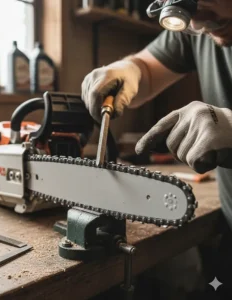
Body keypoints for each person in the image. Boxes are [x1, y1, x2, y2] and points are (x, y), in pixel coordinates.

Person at [81, 0, 232, 299]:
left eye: (207, 5)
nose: (198, 25)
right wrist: (128, 70)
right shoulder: (194, 17)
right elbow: (147, 70)